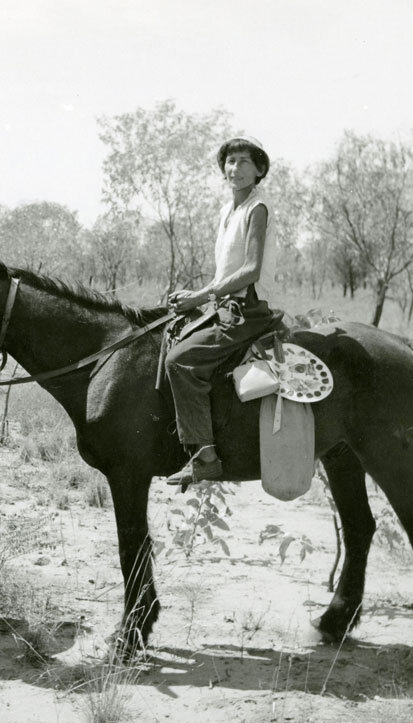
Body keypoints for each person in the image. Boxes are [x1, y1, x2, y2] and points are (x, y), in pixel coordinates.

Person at [163, 136, 282, 486]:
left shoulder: (257, 208)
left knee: (179, 361)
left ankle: (206, 457)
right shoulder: (227, 211)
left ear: (259, 170)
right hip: (226, 305)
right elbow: (224, 274)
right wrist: (197, 296)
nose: (236, 168)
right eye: (230, 161)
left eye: (245, 161)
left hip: (248, 310)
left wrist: (199, 296)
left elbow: (250, 271)